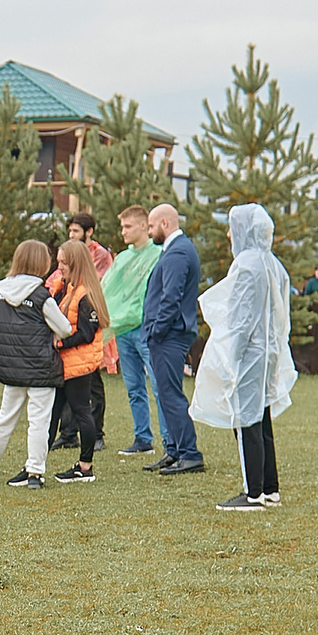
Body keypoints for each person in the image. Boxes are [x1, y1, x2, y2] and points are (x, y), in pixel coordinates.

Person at [192, 204, 296, 511]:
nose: (228, 233)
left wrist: (229, 357)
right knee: (261, 417)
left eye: (231, 226)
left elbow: (241, 318)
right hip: (268, 352)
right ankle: (270, 488)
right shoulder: (272, 263)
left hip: (251, 354)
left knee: (246, 419)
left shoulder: (247, 265)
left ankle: (253, 493)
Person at [0, 238, 72, 489]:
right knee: (39, 421)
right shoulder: (41, 296)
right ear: (41, 263)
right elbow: (64, 328)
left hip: (12, 368)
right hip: (40, 367)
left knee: (5, 418)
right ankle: (35, 473)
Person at [139, 202, 205, 474]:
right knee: (167, 394)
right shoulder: (178, 249)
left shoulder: (178, 252)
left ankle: (189, 453)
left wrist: (156, 329)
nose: (150, 231)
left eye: (152, 226)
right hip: (169, 333)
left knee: (170, 393)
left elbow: (171, 297)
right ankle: (176, 450)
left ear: (165, 223)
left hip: (169, 335)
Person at [51, 237, 112, 483]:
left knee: (81, 412)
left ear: (76, 263)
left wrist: (60, 343)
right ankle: (35, 463)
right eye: (58, 263)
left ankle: (85, 466)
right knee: (52, 413)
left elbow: (87, 333)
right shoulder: (67, 290)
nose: (60, 267)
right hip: (66, 363)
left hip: (79, 364)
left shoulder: (86, 294)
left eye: (64, 263)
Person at [102, 206, 160, 455]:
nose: (123, 232)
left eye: (127, 227)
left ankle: (171, 442)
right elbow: (109, 289)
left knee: (159, 387)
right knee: (134, 387)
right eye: (122, 226)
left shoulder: (158, 254)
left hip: (146, 329)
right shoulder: (123, 258)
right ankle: (142, 438)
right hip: (124, 329)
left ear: (143, 226)